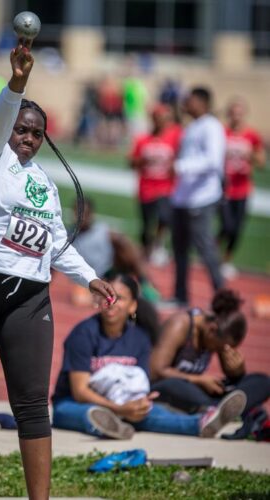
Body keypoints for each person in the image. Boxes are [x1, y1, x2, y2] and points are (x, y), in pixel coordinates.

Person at [0, 40, 116, 500]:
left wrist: (89, 276)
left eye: (36, 133)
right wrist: (18, 81)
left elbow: (51, 243)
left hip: (28, 300)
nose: (27, 138)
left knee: (33, 405)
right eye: (21, 129)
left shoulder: (44, 185)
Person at [52, 274, 246, 440]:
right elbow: (79, 391)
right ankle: (111, 424)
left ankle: (200, 424)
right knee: (88, 414)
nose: (110, 302)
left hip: (123, 403)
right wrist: (118, 409)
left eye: (118, 298)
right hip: (76, 403)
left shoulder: (140, 338)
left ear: (132, 306)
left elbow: (140, 383)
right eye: (106, 296)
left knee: (151, 412)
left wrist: (139, 403)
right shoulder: (83, 334)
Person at [150, 289, 270, 419]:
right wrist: (199, 380)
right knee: (176, 385)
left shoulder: (216, 337)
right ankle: (218, 411)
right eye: (220, 347)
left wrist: (237, 372)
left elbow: (231, 380)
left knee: (262, 381)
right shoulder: (181, 325)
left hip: (197, 393)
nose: (220, 351)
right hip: (166, 388)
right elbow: (156, 371)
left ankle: (218, 411)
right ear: (212, 330)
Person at [169, 87, 226, 306]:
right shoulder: (192, 127)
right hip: (182, 198)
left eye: (190, 100)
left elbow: (213, 161)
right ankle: (180, 295)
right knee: (179, 250)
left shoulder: (212, 127)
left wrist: (181, 166)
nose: (186, 103)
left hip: (201, 199)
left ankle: (222, 298)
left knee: (206, 249)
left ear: (203, 102)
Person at [219, 98, 266, 279]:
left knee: (236, 229)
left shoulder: (251, 135)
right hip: (224, 189)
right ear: (229, 114)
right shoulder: (222, 133)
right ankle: (212, 249)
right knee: (227, 226)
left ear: (244, 114)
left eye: (240, 113)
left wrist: (251, 155)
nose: (236, 117)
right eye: (233, 112)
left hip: (243, 189)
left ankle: (226, 260)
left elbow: (261, 162)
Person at [129, 103, 180, 265]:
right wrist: (143, 159)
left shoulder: (175, 137)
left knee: (165, 217)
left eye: (164, 119)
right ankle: (146, 249)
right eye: (158, 118)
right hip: (146, 188)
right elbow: (131, 163)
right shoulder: (142, 139)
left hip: (166, 187)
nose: (161, 122)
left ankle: (158, 243)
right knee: (146, 225)